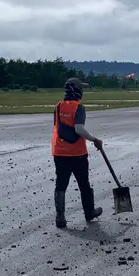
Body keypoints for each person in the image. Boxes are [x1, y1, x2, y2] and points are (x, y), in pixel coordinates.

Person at [51, 77, 104, 228]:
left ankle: (60, 218)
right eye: (80, 88)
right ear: (75, 90)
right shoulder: (78, 107)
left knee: (61, 184)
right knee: (84, 184)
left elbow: (59, 127)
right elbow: (79, 129)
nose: (82, 91)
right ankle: (89, 212)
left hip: (59, 152)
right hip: (77, 154)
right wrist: (94, 139)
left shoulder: (58, 106)